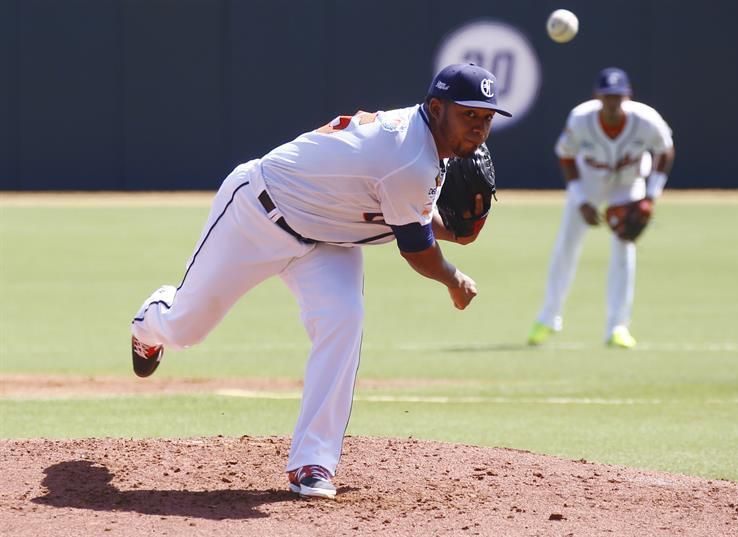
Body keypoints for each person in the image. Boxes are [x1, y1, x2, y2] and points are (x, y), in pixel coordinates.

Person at [130, 63, 511, 499]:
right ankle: (151, 319)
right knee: (185, 328)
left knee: (343, 320)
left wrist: (454, 230)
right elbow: (418, 250)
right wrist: (454, 279)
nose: (479, 129)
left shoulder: (422, 146)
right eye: (469, 116)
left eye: (486, 119)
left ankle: (313, 462)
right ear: (437, 107)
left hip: (328, 237)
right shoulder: (410, 156)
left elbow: (397, 209)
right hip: (257, 213)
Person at [527, 67, 674, 349]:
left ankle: (618, 327)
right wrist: (581, 199)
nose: (613, 102)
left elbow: (665, 150)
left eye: (618, 96)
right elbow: (566, 155)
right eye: (608, 96)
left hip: (629, 183)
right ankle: (548, 318)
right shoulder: (581, 118)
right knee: (566, 247)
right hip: (589, 181)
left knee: (624, 249)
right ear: (597, 96)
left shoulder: (646, 119)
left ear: (627, 96)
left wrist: (650, 197)